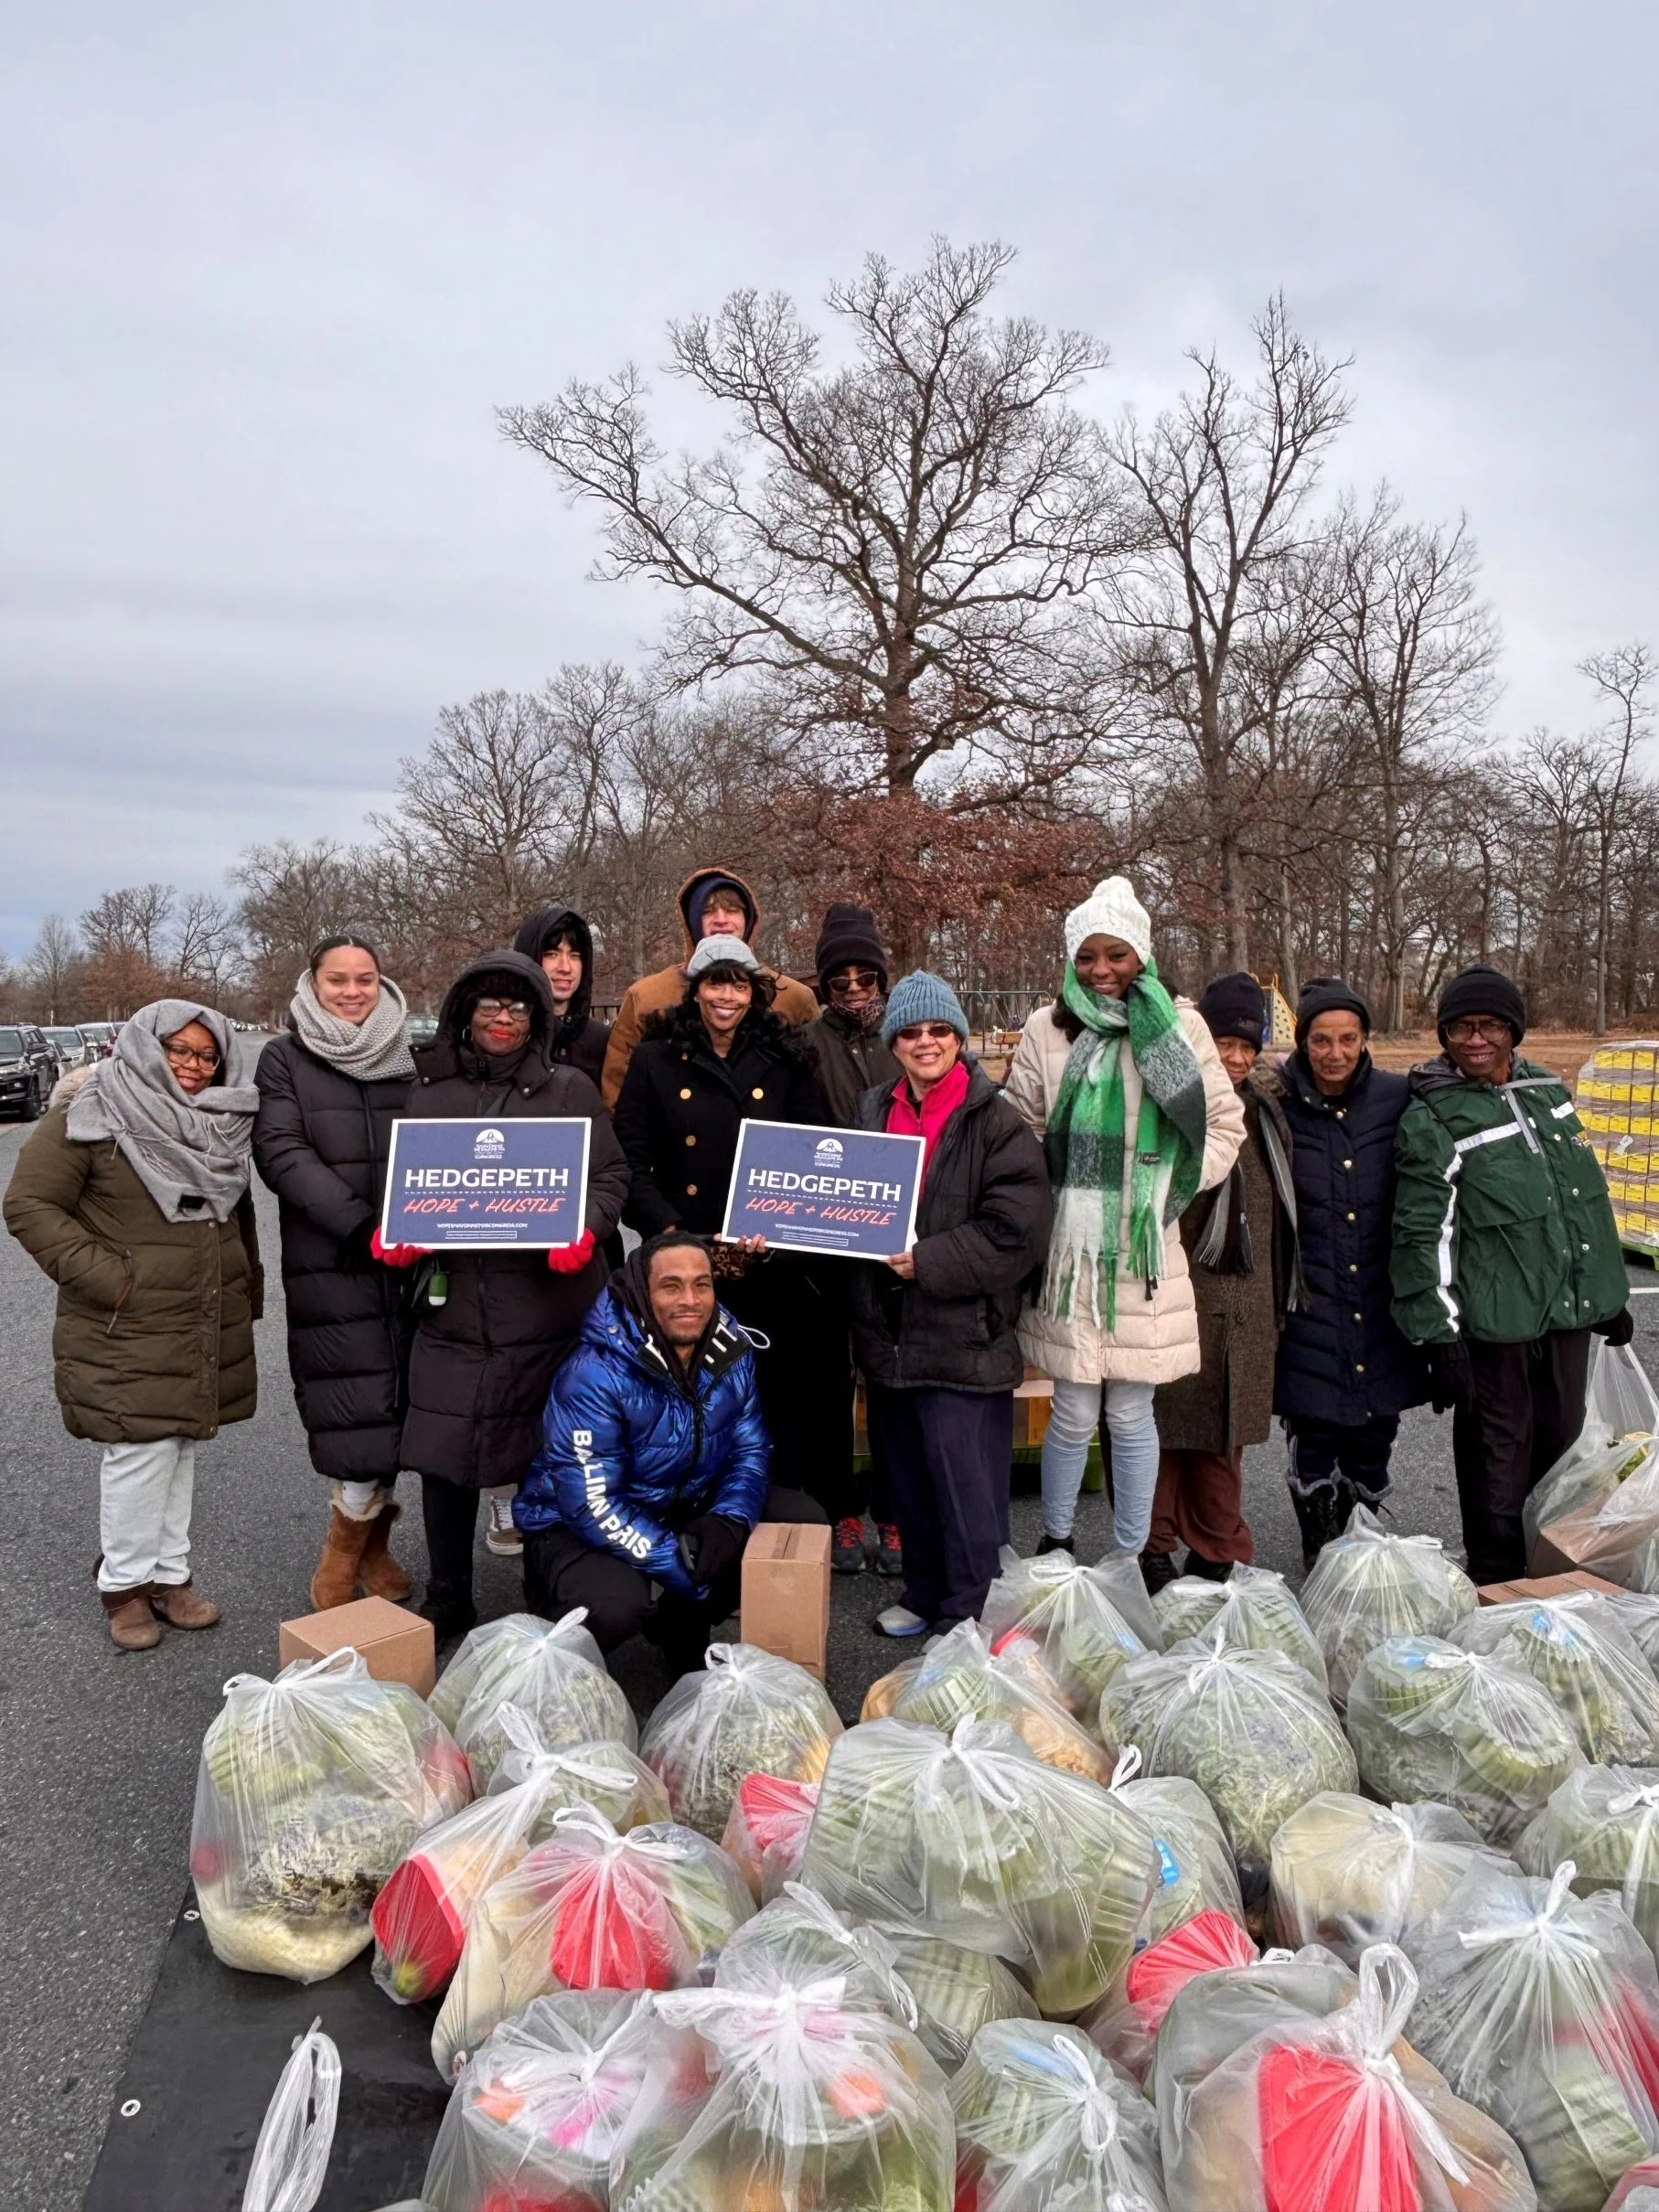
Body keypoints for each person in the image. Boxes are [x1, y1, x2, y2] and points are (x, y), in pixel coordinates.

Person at [4, 1002, 261, 1649]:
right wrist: (110, 1276)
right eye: (179, 1049)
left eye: (207, 1055)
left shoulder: (219, 1122)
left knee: (178, 1445)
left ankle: (169, 1576)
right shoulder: (90, 1113)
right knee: (139, 1453)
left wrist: (243, 1289)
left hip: (196, 1312)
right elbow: (29, 1204)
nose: (194, 1066)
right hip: (127, 1320)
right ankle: (124, 1586)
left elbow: (237, 1217)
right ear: (145, 1045)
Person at [1003, 878, 1245, 1565]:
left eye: (1115, 955)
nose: (1101, 970)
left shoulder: (1180, 1025)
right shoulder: (1046, 1029)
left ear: (1142, 955)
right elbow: (1021, 1127)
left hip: (1145, 1249)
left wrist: (1170, 1186)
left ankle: (1132, 1555)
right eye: (1086, 957)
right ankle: (1054, 1543)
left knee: (1132, 1413)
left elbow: (1224, 1123)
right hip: (1071, 1249)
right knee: (1073, 1409)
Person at [392, 949, 629, 1637]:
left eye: (519, 1007)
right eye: (490, 1006)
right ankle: (448, 1592)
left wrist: (584, 1228)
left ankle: (543, 1585)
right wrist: (403, 1231)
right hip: (457, 1306)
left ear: (539, 1018)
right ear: (464, 1014)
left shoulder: (569, 1090)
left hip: (546, 1307)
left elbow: (611, 1175)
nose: (504, 1019)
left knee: (544, 1454)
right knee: (445, 1454)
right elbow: (411, 1183)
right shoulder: (429, 1094)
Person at [1391, 963, 1632, 1587]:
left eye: (1490, 1026)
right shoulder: (1434, 1115)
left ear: (1513, 1031)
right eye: (1460, 1028)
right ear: (1443, 1035)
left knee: (1564, 1453)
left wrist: (1605, 1294)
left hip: (1563, 1317)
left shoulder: (1546, 1091)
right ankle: (1497, 1581)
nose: (1475, 1040)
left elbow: (1580, 1199)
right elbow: (1423, 1235)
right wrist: (1438, 1334)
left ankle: (1553, 1574)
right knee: (1498, 1462)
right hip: (1494, 1326)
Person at [613, 935, 856, 1523]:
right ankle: (689, 1509)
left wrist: (779, 1226)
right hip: (685, 1259)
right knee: (691, 1391)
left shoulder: (786, 1057)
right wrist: (670, 1231)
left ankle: (783, 1509)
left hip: (767, 1256)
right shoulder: (654, 1058)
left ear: (755, 992)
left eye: (739, 983)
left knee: (775, 1391)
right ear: (695, 990)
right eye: (715, 982)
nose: (726, 995)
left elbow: (811, 1149)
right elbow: (629, 1161)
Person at [517, 1229, 828, 1664]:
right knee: (614, 1605)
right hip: (575, 1521)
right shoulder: (593, 1373)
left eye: (702, 1284)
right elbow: (592, 1503)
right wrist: (684, 1568)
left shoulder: (731, 1349)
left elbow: (750, 1450)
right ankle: (554, 1638)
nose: (690, 1300)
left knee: (801, 1523)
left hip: (681, 1498)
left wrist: (730, 1521)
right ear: (642, 1294)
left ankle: (679, 1627)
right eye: (671, 1286)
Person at [850, 971, 1053, 1636]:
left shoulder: (996, 1121)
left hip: (966, 1334)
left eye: (939, 1030)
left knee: (968, 1491)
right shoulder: (873, 1107)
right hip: (892, 1335)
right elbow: (844, 1198)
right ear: (894, 1042)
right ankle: (926, 1589)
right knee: (909, 1479)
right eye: (911, 1032)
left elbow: (1015, 1229)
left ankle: (971, 1613)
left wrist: (927, 1260)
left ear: (960, 1038)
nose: (926, 1042)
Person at [253, 933, 417, 1609]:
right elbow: (281, 1150)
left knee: (407, 1398)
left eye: (365, 979)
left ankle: (374, 1544)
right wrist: (359, 1224)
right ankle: (343, 1545)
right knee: (353, 1403)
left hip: (412, 1254)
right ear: (312, 984)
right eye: (337, 980)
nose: (352, 992)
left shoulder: (413, 1058)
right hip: (335, 1257)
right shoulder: (283, 1058)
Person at [1146, 973, 1300, 1588]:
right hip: (1178, 1298)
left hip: (1244, 1308)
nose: (1235, 1058)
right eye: (1223, 1043)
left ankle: (1217, 1546)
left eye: (1246, 1046)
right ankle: (1150, 1547)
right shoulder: (1170, 1108)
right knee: (1159, 1435)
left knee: (1222, 1443)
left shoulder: (1266, 1115)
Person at [1268, 978, 1428, 1565]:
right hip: (1310, 1294)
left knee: (1373, 1432)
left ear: (1365, 1040)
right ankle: (1320, 1544)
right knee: (1315, 1430)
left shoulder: (1396, 1097)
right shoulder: (1276, 1102)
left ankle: (1361, 1543)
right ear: (1302, 1042)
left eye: (1348, 1039)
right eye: (1321, 1041)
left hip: (1379, 1290)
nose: (1334, 1054)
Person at [808, 902, 904, 1577]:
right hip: (823, 1231)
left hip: (899, 1233)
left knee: (893, 1381)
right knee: (827, 1386)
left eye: (862, 978)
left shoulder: (907, 1035)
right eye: (838, 980)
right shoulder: (805, 1043)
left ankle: (895, 1512)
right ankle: (838, 1508)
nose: (851, 990)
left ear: (880, 978)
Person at [600, 867, 818, 1107]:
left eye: (733, 910)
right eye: (708, 911)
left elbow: (814, 1086)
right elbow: (617, 1089)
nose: (721, 920)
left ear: (749, 919)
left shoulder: (795, 996)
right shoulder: (646, 996)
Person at [512, 903, 610, 1087]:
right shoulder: (507, 1037)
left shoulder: (602, 1042)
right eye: (552, 954)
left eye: (575, 955)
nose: (565, 967)